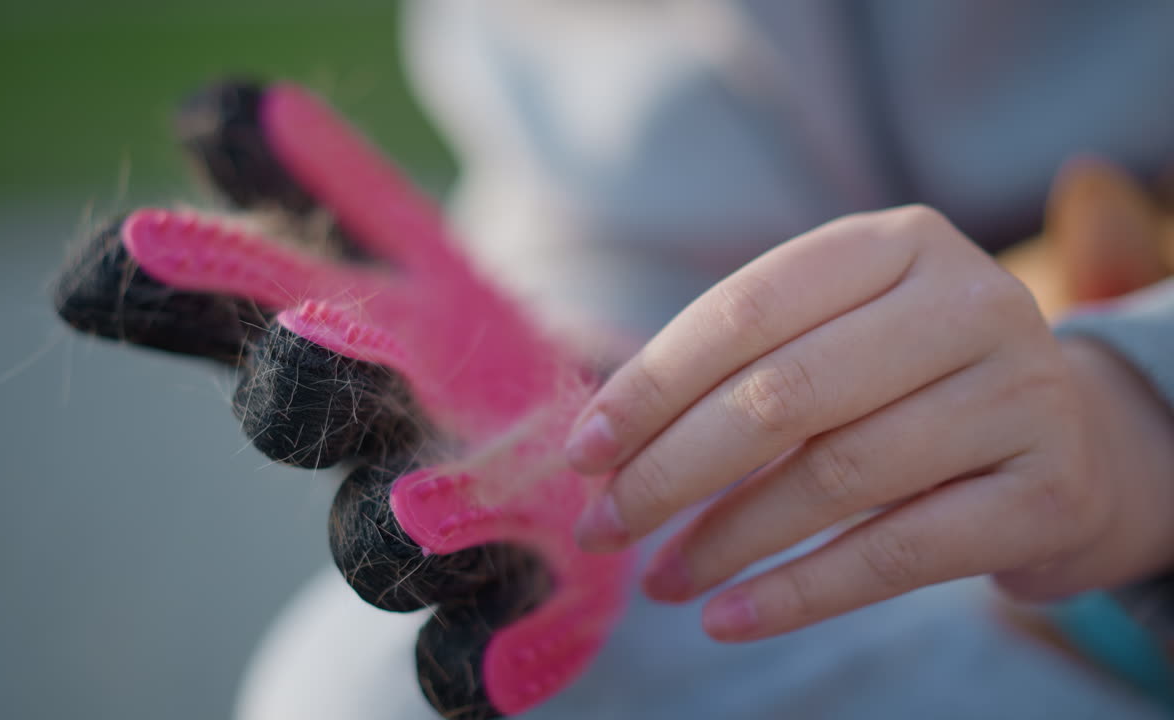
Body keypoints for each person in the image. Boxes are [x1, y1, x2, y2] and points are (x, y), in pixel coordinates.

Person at [237, 1, 1174, 717]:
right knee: (361, 685)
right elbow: (602, 183)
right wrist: (586, 371)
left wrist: (1135, 409)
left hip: (1136, 502)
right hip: (833, 514)